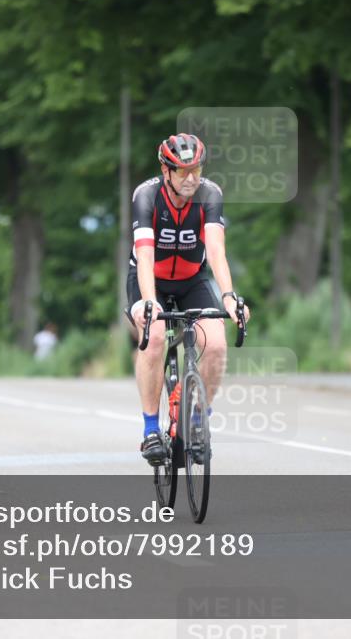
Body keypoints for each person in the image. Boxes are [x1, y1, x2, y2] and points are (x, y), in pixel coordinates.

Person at [128, 133, 250, 464]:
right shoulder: (146, 195)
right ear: (165, 171)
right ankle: (151, 429)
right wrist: (150, 301)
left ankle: (198, 421)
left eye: (195, 169)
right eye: (182, 171)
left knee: (217, 345)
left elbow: (215, 250)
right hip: (148, 277)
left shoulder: (209, 194)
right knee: (153, 338)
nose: (191, 178)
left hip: (192, 279)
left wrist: (228, 297)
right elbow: (145, 256)